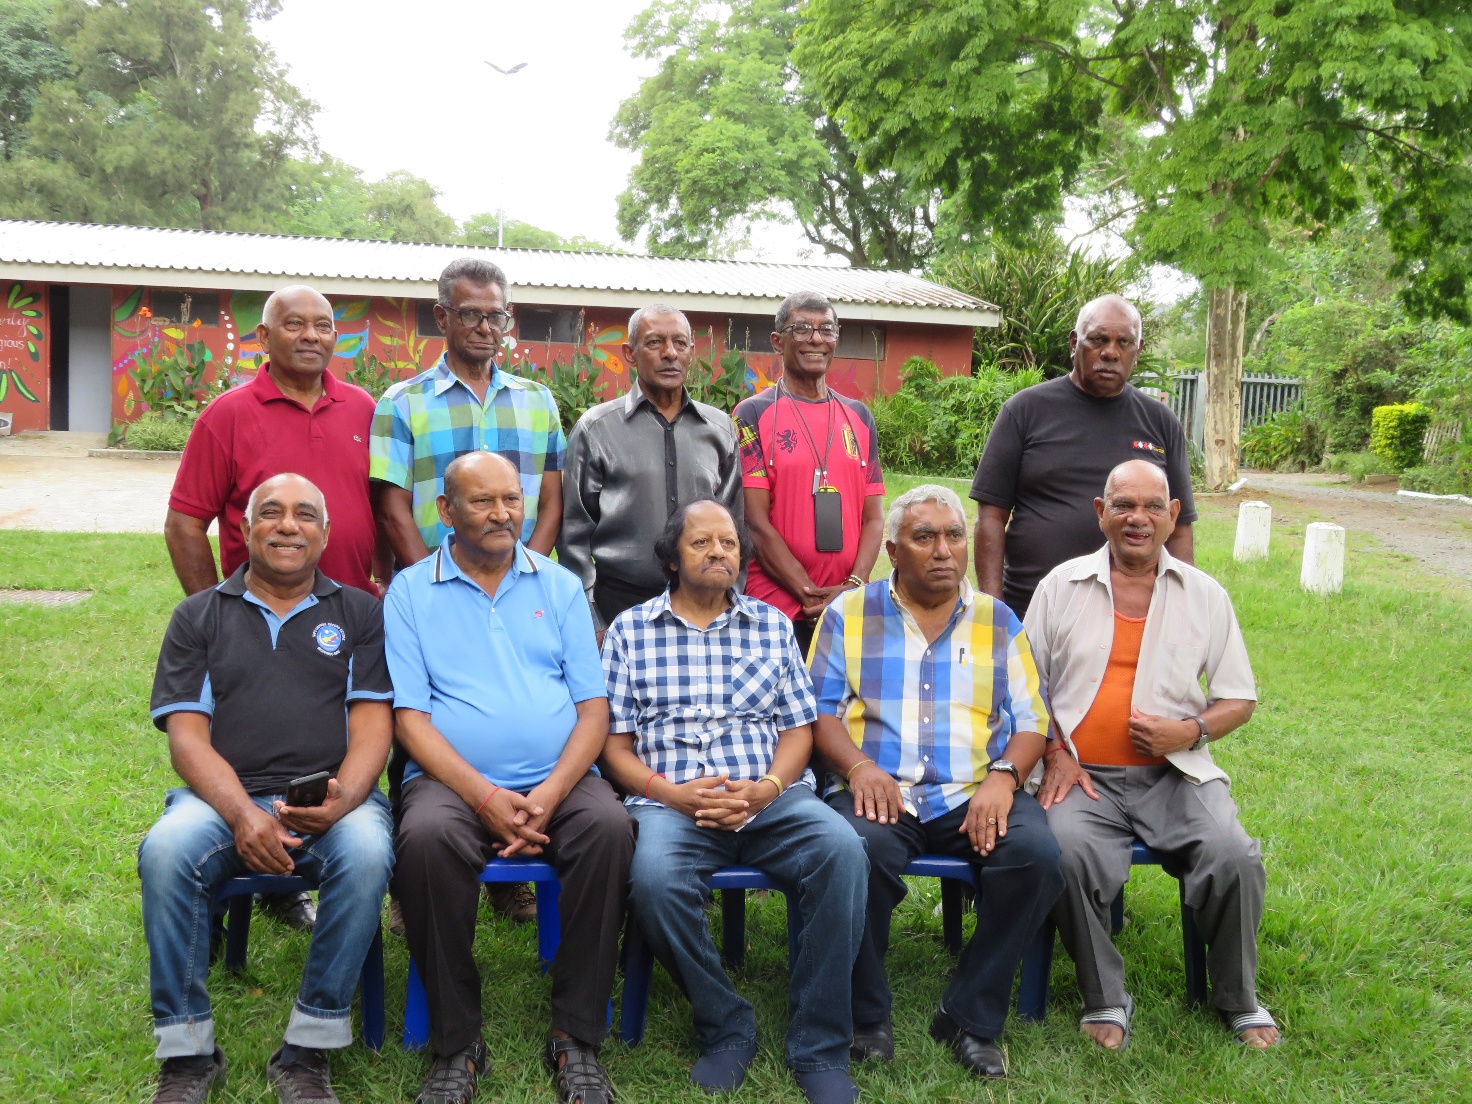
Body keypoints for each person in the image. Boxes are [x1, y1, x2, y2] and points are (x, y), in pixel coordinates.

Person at [385, 451, 633, 1104]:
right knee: (428, 842)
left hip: (559, 775)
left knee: (610, 828)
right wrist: (486, 796)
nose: (502, 514)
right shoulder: (411, 591)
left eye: (512, 500)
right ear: (445, 511)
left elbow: (593, 709)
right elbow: (409, 720)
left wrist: (549, 794)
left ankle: (575, 1037)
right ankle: (457, 1042)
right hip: (450, 781)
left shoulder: (557, 586)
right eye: (482, 501)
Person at [599, 499, 867, 1104]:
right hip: (671, 802)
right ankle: (726, 1024)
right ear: (671, 557)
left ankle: (819, 1045)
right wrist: (670, 794)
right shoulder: (630, 631)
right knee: (655, 880)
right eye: (701, 543)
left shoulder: (771, 626)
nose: (719, 551)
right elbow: (613, 747)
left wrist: (767, 788)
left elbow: (800, 728)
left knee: (844, 851)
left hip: (769, 797)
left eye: (728, 542)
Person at [140, 473, 395, 1104]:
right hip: (221, 799)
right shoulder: (198, 616)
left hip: (331, 798)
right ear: (245, 529)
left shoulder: (359, 614)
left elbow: (372, 726)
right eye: (271, 513)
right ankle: (187, 1052)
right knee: (168, 851)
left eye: (306, 514)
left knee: (365, 853)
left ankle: (307, 1050)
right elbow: (187, 740)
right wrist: (239, 815)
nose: (288, 526)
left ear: (326, 533)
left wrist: (347, 797)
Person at [809, 484, 1064, 1080]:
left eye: (954, 536)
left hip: (974, 788)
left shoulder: (997, 620)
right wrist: (856, 767)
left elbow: (1032, 720)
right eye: (925, 537)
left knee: (1036, 855)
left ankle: (971, 1015)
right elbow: (817, 711)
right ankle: (866, 1016)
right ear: (893, 551)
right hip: (879, 787)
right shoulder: (848, 614)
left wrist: (1005, 777)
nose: (944, 550)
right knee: (853, 854)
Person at [1025, 459, 1279, 1050]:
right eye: (1123, 506)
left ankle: (1239, 999)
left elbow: (1239, 697)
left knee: (1234, 855)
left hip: (1175, 775)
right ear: (1101, 513)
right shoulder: (1059, 587)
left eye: (1151, 508)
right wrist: (1056, 753)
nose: (1137, 519)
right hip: (1082, 779)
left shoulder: (1204, 594)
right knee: (1062, 853)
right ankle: (1106, 998)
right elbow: (1024, 686)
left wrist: (1189, 731)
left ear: (1171, 517)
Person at [164, 283, 384, 931]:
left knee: (356, 754)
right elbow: (184, 525)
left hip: (352, 627)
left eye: (324, 325)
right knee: (260, 751)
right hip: (262, 624)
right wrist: (217, 615)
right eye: (294, 325)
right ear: (264, 337)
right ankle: (265, 872)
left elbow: (388, 512)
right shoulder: (229, 414)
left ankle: (360, 870)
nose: (312, 336)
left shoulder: (365, 409)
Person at [371, 257, 567, 921]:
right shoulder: (402, 403)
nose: (487, 327)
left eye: (497, 315)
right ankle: (412, 882)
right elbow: (393, 505)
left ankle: (510, 874)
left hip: (523, 590)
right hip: (434, 592)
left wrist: (521, 577)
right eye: (473, 314)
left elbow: (551, 499)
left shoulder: (537, 401)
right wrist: (436, 582)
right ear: (443, 317)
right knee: (424, 724)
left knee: (513, 709)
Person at [970, 293, 1196, 618]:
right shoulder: (1025, 411)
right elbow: (991, 518)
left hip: (1132, 614)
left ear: (1139, 350)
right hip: (1032, 608)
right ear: (1075, 343)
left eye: (1124, 342)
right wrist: (993, 607)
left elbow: (1180, 527)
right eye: (1099, 339)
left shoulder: (1160, 423)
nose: (1110, 352)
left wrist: (1181, 606)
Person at [559, 304, 742, 633]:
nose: (670, 353)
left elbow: (736, 526)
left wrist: (731, 599)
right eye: (655, 342)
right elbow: (573, 537)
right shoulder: (596, 430)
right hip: (617, 605)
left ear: (690, 352)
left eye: (680, 343)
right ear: (630, 354)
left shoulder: (720, 429)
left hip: (706, 608)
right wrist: (591, 619)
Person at [734, 291, 885, 655]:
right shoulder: (751, 415)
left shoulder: (859, 418)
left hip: (847, 604)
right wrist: (809, 593)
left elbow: (874, 518)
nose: (816, 339)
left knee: (842, 710)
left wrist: (852, 586)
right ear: (777, 341)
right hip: (777, 605)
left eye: (826, 329)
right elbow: (754, 521)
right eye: (801, 329)